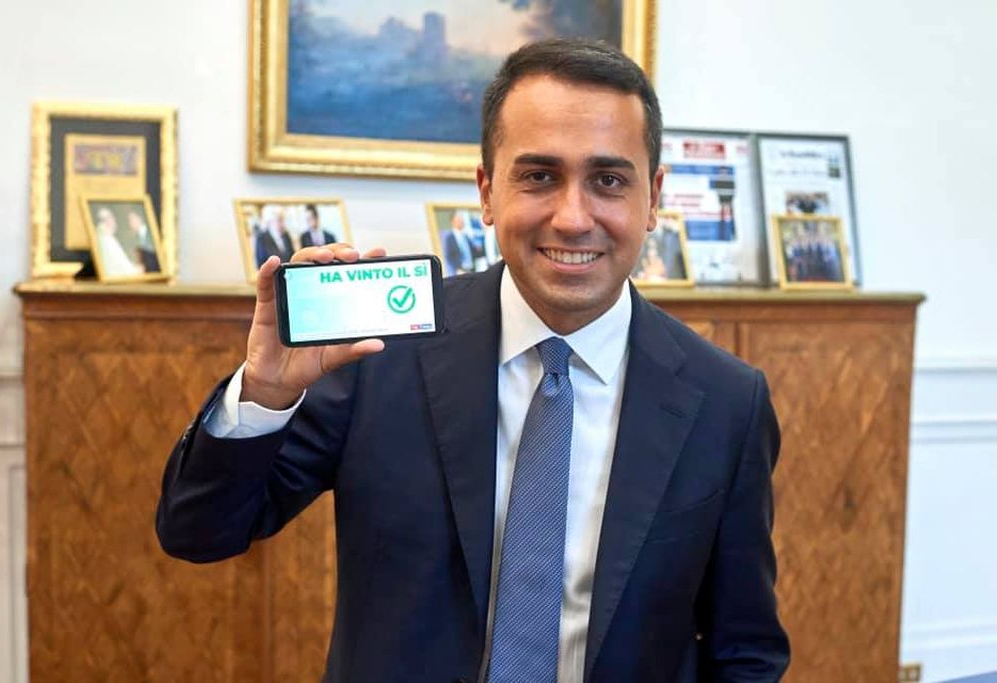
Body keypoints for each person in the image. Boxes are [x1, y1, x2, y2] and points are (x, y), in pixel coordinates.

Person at [157, 38, 789, 682]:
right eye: (539, 176)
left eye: (608, 180)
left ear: (652, 197)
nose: (574, 218)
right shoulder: (380, 354)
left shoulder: (726, 402)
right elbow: (199, 532)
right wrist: (264, 395)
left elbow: (745, 651)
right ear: (487, 192)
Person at [94, 207, 141, 277]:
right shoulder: (106, 239)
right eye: (108, 218)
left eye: (111, 218)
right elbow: (123, 269)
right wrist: (138, 270)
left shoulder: (108, 237)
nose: (113, 221)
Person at [442, 209, 475, 276]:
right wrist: (457, 268)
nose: (462, 222)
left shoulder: (465, 236)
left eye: (462, 220)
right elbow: (449, 256)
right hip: (460, 270)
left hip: (471, 268)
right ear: (453, 221)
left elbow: (473, 251)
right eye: (459, 220)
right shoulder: (450, 238)